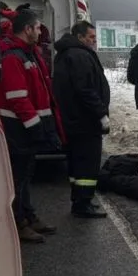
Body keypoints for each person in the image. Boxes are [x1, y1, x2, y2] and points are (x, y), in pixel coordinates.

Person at [0, 7, 60, 242]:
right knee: (18, 178)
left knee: (26, 175)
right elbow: (17, 98)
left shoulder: (27, 54)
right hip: (17, 128)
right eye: (38, 28)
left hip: (27, 126)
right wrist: (34, 126)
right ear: (27, 29)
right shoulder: (13, 57)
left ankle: (28, 216)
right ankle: (18, 222)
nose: (41, 32)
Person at [53, 21, 111, 218]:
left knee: (76, 162)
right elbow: (85, 89)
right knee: (87, 162)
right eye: (91, 37)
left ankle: (79, 198)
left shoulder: (66, 54)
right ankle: (83, 202)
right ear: (80, 37)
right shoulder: (79, 56)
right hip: (86, 121)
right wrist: (101, 113)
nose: (94, 41)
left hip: (73, 119)